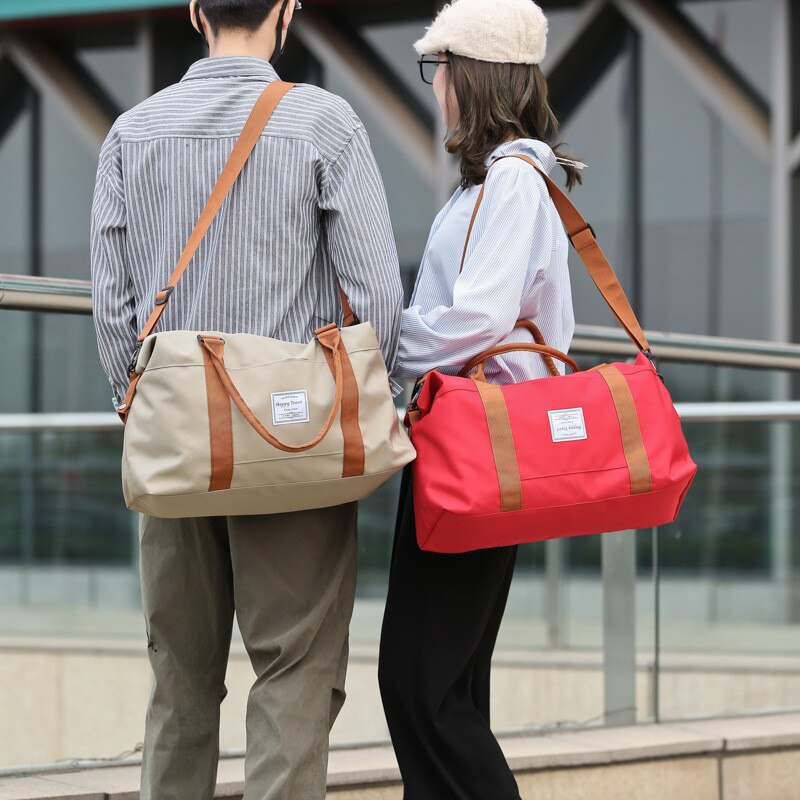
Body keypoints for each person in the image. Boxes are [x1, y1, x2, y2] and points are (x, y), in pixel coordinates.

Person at [90, 1, 404, 798]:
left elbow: (112, 308)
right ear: (287, 12)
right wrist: (368, 404)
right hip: (293, 448)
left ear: (197, 13)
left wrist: (142, 399)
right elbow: (378, 297)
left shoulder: (131, 133)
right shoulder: (324, 125)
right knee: (295, 674)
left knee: (181, 685)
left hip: (174, 446)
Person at [379, 1, 580, 797]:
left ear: (471, 75)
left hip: (478, 455)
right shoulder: (490, 187)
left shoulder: (512, 184)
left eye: (439, 69)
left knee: (419, 686)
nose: (435, 88)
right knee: (450, 688)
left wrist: (382, 343)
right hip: (468, 450)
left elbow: (480, 319)